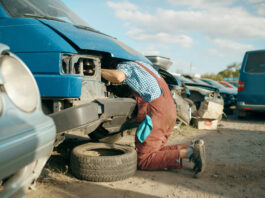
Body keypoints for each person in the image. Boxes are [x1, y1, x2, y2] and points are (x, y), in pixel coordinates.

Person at [101, 60, 206, 177]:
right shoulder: (145, 66)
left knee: (144, 159)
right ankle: (192, 146)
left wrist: (99, 71)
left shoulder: (125, 66)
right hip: (170, 110)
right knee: (156, 150)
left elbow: (118, 76)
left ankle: (190, 153)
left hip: (156, 113)